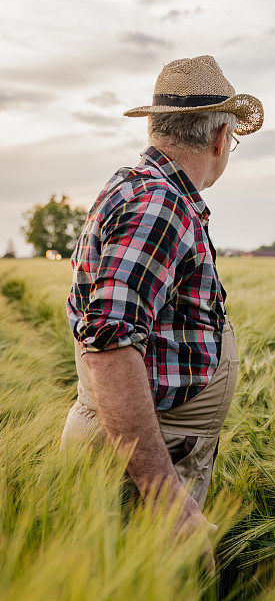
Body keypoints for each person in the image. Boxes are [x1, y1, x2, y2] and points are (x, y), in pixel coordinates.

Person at [60, 55, 264, 571]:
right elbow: (108, 341)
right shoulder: (159, 205)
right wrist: (166, 499)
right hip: (138, 473)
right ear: (220, 140)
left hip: (135, 453)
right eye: (233, 142)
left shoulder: (140, 189)